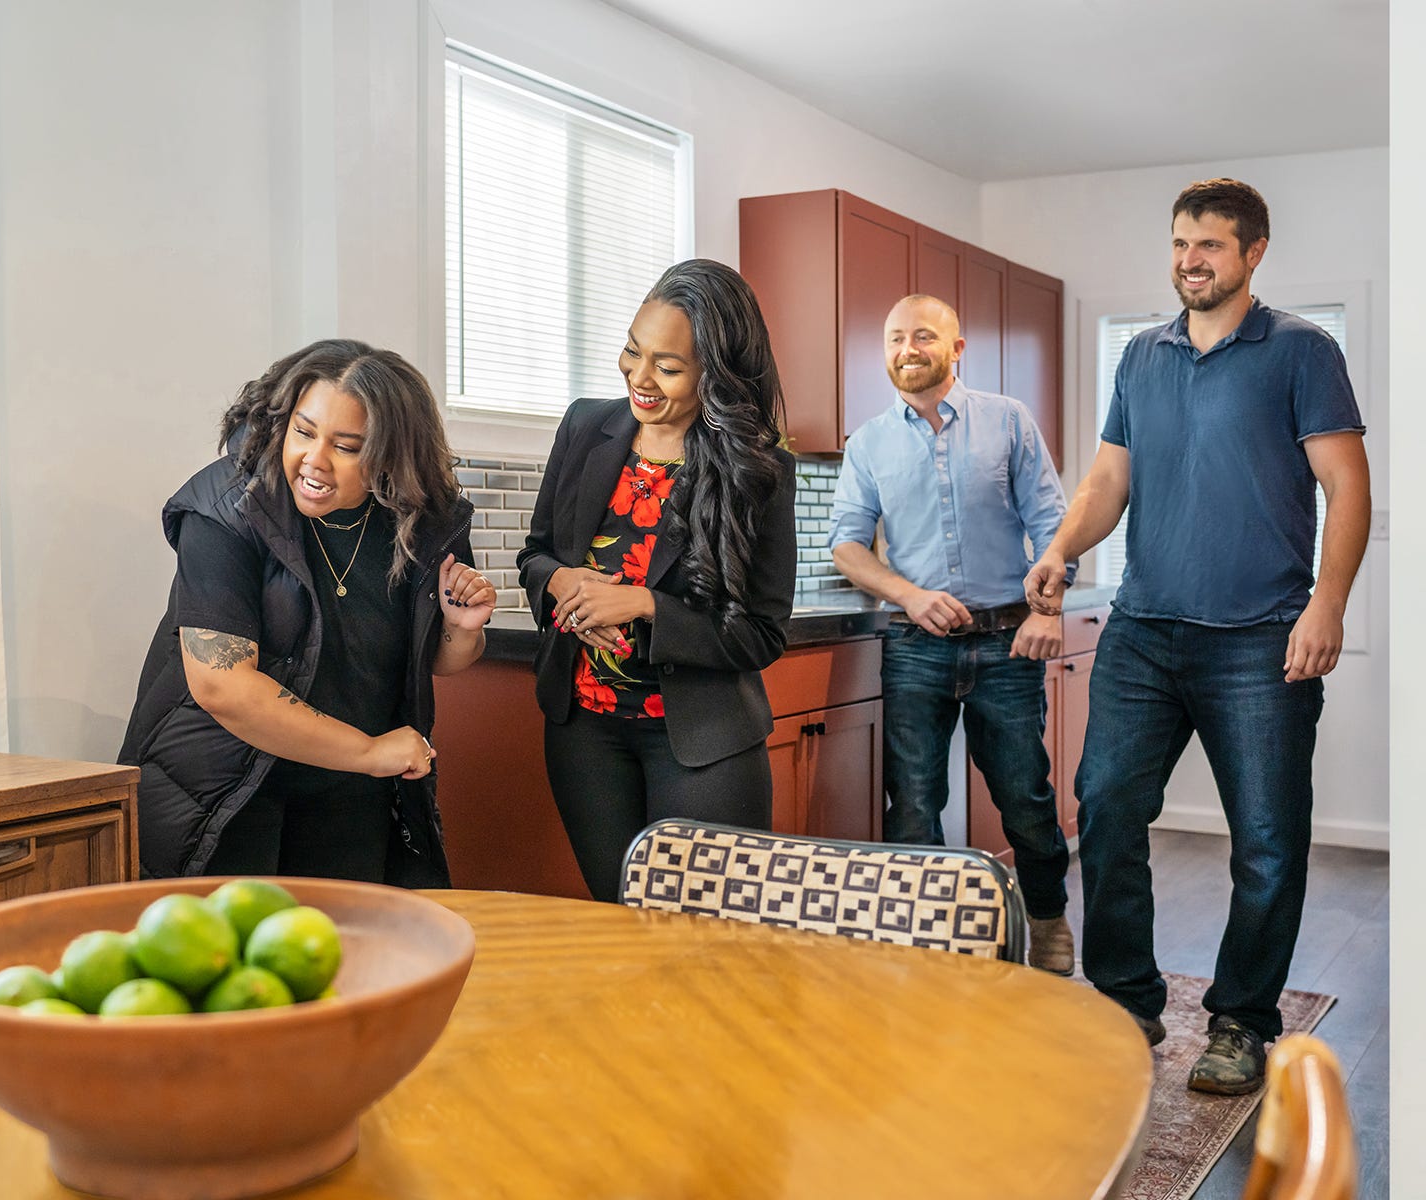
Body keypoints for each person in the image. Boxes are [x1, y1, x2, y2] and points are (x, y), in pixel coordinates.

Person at [1024, 179, 1370, 1094]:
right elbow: (1108, 482)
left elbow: (1347, 484)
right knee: (1103, 809)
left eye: (1210, 245)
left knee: (1265, 838)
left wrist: (1326, 604)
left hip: (1260, 640)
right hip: (1144, 632)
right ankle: (1127, 1001)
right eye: (1181, 243)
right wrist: (1062, 547)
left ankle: (1241, 1021)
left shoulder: (1301, 350)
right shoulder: (1141, 356)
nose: (1190, 261)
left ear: (1254, 252)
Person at [119, 339, 495, 885]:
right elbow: (221, 685)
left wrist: (461, 631)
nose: (314, 461)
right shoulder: (226, 505)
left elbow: (438, 659)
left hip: (349, 796)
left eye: (347, 446)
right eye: (303, 431)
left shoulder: (419, 521)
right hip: (223, 792)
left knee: (350, 961)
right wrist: (369, 751)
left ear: (391, 454)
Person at [518, 259, 797, 903]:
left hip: (702, 744)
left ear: (716, 374)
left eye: (667, 367)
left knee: (705, 945)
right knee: (617, 928)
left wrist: (643, 603)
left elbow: (760, 634)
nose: (639, 378)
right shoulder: (586, 426)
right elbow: (536, 556)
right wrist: (566, 587)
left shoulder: (759, 469)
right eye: (631, 351)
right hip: (584, 731)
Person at [827, 293, 1075, 974]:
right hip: (913, 648)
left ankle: (1049, 924)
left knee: (1024, 799)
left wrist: (1048, 612)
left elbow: (1053, 527)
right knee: (912, 805)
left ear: (956, 348)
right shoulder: (870, 442)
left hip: (1006, 643)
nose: (908, 349)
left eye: (925, 337)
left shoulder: (1008, 422)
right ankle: (927, 948)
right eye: (896, 338)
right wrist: (908, 594)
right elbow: (846, 545)